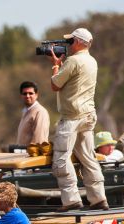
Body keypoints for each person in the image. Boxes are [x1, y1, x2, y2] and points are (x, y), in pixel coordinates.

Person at [48, 27, 108, 211]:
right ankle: (99, 198)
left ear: (80, 42)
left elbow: (55, 84)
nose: (69, 44)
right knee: (88, 157)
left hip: (72, 116)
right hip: (88, 115)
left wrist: (55, 65)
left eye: (71, 41)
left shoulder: (73, 61)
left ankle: (71, 199)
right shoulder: (92, 61)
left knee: (60, 159)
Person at [16, 81, 50, 146]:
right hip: (23, 154)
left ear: (36, 95)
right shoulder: (26, 111)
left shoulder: (40, 112)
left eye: (30, 93)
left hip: (33, 154)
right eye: (25, 93)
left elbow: (39, 139)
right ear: (21, 96)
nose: (27, 96)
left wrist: (34, 154)